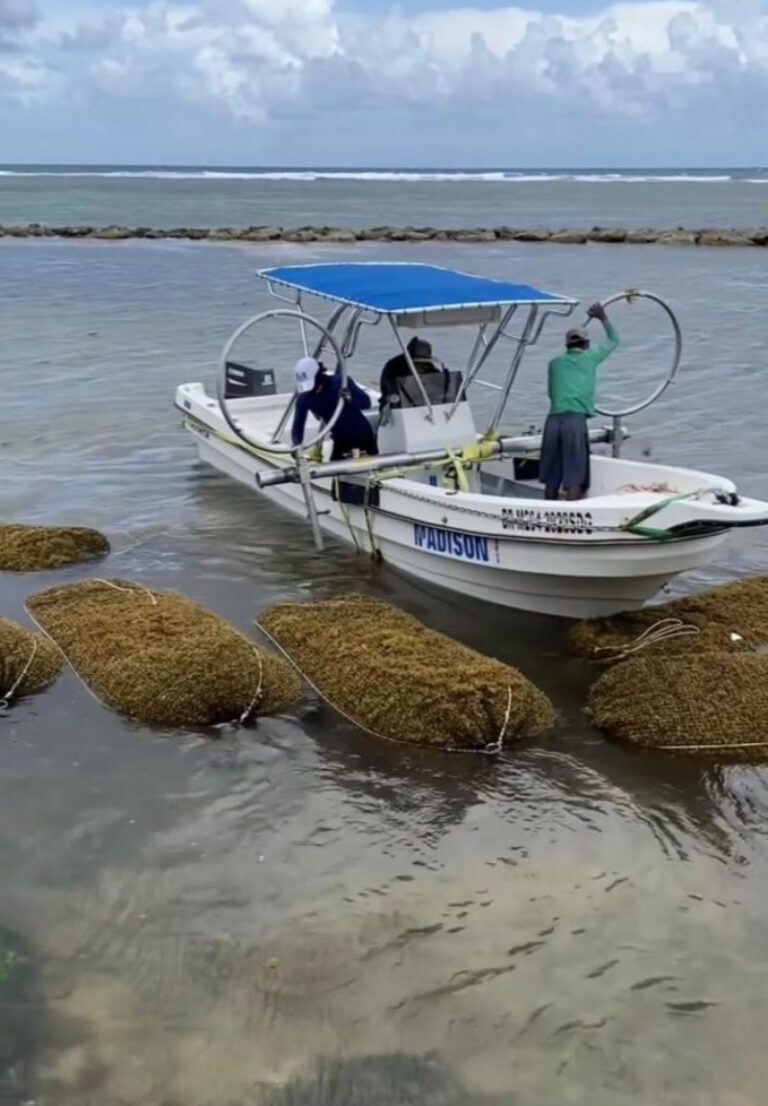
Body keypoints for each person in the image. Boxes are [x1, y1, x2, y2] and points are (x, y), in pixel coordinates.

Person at [540, 303, 619, 501]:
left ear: (567, 345)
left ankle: (549, 516)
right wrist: (603, 318)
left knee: (552, 478)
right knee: (574, 477)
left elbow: (551, 393)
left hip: (553, 421)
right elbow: (614, 340)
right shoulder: (590, 358)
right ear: (586, 345)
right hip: (574, 421)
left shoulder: (554, 364)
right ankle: (570, 520)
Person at [291, 356, 377, 461]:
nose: (311, 390)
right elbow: (298, 426)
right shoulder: (304, 398)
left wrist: (350, 398)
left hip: (363, 434)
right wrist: (296, 446)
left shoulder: (340, 382)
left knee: (376, 466)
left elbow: (366, 403)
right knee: (335, 469)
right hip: (340, 439)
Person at [379, 336, 439, 411]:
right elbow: (392, 388)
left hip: (425, 405)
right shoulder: (393, 366)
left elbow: (438, 380)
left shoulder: (427, 365)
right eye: (418, 362)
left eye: (424, 361)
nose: (421, 364)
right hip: (396, 406)